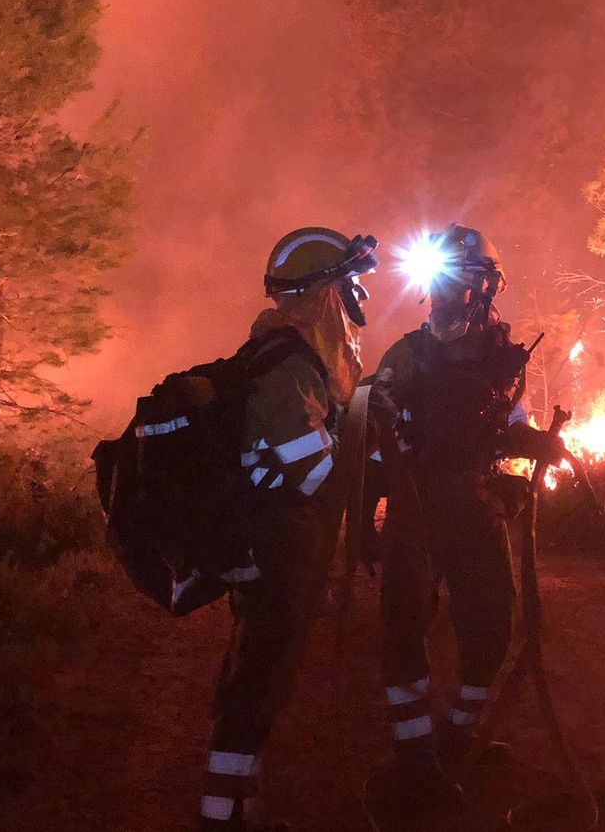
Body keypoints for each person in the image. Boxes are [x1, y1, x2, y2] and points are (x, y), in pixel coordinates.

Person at [366, 223, 563, 808]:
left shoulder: (505, 362)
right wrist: (372, 512)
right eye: (441, 280)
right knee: (404, 630)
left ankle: (458, 734)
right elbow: (373, 435)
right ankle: (415, 755)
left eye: (462, 280)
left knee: (492, 629)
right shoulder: (405, 355)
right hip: (417, 513)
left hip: (478, 510)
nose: (448, 294)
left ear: (486, 288)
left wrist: (530, 450)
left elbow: (507, 427)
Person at [197, 227, 375, 831]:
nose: (354, 300)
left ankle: (239, 801)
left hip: (272, 539)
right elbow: (312, 472)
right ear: (322, 293)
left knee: (257, 667)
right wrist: (366, 441)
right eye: (347, 285)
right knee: (260, 677)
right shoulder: (287, 366)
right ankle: (220, 815)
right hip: (273, 543)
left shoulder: (293, 359)